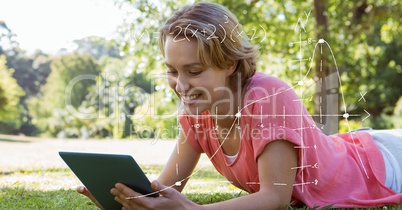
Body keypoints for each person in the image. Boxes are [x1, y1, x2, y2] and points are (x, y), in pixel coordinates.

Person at [77, 2, 402, 209]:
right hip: (353, 146)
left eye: (194, 71)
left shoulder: (268, 98)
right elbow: (170, 187)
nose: (182, 86)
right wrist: (125, 198)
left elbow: (274, 198)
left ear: (230, 63)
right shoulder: (197, 112)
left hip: (381, 166)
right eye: (172, 71)